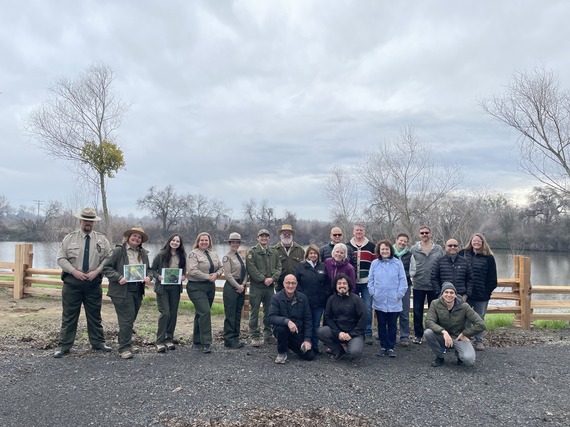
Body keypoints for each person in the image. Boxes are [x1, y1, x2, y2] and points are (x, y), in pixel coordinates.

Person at [54, 207, 112, 358]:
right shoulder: (69, 238)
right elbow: (60, 258)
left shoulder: (102, 240)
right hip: (72, 283)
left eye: (91, 221)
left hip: (93, 283)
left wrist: (97, 271)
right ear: (80, 221)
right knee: (69, 316)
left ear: (94, 223)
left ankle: (98, 343)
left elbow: (108, 258)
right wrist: (74, 272)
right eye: (85, 220)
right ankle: (64, 346)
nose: (88, 223)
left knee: (94, 315)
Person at [104, 226, 151, 359]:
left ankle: (126, 343)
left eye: (139, 237)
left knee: (131, 318)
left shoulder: (143, 253)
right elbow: (106, 268)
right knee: (127, 318)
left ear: (141, 240)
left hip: (137, 290)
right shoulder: (119, 251)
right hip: (121, 290)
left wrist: (149, 276)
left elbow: (150, 270)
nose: (136, 238)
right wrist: (119, 277)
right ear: (128, 237)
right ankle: (124, 348)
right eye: (134, 236)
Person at [424, 282, 486, 367]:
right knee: (428, 332)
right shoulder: (435, 303)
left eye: (451, 292)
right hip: (442, 337)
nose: (449, 295)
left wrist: (465, 333)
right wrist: (443, 332)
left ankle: (459, 355)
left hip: (458, 337)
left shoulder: (464, 306)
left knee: (469, 360)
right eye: (446, 292)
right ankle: (439, 357)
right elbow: (429, 321)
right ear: (442, 294)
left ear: (455, 295)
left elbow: (481, 324)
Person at [368, 240, 408, 358]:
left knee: (392, 324)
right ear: (379, 251)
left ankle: (391, 347)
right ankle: (383, 346)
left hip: (394, 300)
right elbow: (370, 280)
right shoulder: (375, 263)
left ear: (390, 250)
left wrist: (399, 294)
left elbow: (403, 281)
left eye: (386, 249)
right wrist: (373, 293)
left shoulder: (397, 263)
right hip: (379, 299)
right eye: (382, 249)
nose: (384, 251)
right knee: (381, 324)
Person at [460, 233, 498, 351]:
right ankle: (465, 339)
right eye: (474, 241)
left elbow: (492, 279)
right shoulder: (463, 253)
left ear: (483, 243)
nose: (476, 243)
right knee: (465, 317)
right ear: (470, 242)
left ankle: (479, 341)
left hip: (481, 294)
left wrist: (487, 292)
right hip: (466, 293)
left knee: (479, 318)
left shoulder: (489, 258)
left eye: (479, 241)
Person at [186, 232, 222, 354]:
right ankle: (206, 342)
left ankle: (196, 341)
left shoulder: (214, 253)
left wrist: (217, 274)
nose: (204, 242)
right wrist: (207, 276)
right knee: (205, 312)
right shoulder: (193, 254)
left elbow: (221, 267)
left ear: (209, 242)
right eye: (202, 240)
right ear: (198, 241)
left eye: (206, 240)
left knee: (200, 314)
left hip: (210, 287)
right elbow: (192, 271)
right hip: (196, 286)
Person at [150, 234, 186, 353]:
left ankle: (169, 338)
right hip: (163, 288)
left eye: (178, 241)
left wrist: (184, 276)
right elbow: (151, 269)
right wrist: (157, 276)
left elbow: (184, 269)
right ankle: (159, 341)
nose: (175, 243)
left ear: (180, 244)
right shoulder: (161, 254)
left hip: (175, 288)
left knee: (173, 314)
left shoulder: (182, 256)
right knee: (165, 313)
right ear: (169, 241)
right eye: (173, 240)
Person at [318, 274, 367, 361]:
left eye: (344, 283)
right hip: (338, 333)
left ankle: (351, 346)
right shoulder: (331, 299)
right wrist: (338, 333)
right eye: (339, 283)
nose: (342, 286)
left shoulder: (356, 299)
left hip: (354, 334)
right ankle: (339, 350)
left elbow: (363, 318)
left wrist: (351, 334)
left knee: (354, 352)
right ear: (335, 286)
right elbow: (328, 317)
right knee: (320, 331)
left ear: (348, 286)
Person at [246, 229, 282, 347]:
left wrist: (272, 278)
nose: (264, 238)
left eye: (266, 236)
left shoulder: (273, 252)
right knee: (254, 311)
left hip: (270, 286)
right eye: (261, 236)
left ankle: (268, 334)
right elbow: (251, 268)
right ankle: (255, 336)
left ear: (269, 238)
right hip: (257, 286)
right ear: (257, 238)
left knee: (269, 311)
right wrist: (263, 279)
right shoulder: (252, 252)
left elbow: (279, 267)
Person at [268, 274, 314, 364]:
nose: (290, 286)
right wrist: (287, 321)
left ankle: (288, 345)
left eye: (293, 283)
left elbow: (308, 320)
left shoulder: (303, 298)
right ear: (284, 284)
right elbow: (271, 317)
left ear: (296, 284)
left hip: (297, 333)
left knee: (309, 356)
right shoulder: (276, 298)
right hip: (282, 330)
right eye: (288, 283)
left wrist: (307, 340)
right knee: (282, 328)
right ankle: (282, 352)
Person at [409, 226, 444, 344]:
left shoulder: (438, 249)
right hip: (418, 284)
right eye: (422, 233)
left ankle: (432, 334)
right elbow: (410, 265)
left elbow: (442, 264)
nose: (424, 234)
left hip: (434, 285)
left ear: (431, 234)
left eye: (426, 233)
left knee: (433, 312)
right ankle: (418, 335)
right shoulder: (414, 249)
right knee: (417, 311)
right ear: (419, 235)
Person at [294, 244, 331, 354]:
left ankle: (314, 346)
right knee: (304, 324)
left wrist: (324, 294)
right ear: (307, 255)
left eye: (315, 253)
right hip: (304, 302)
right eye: (311, 253)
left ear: (318, 255)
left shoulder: (322, 266)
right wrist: (301, 295)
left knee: (315, 325)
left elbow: (327, 283)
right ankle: (302, 345)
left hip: (318, 302)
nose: (313, 255)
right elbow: (296, 282)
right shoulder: (301, 266)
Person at [347, 224, 376, 345]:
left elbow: (375, 264)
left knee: (367, 308)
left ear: (364, 231)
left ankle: (368, 332)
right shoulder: (347, 246)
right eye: (357, 230)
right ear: (353, 232)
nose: (359, 232)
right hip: (352, 282)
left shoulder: (371, 246)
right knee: (351, 308)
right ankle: (353, 332)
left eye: (361, 230)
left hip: (366, 282)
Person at [222, 232, 247, 349]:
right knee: (230, 313)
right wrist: (238, 286)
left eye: (237, 242)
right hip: (232, 287)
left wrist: (243, 284)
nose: (235, 244)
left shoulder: (241, 256)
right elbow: (228, 275)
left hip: (241, 286)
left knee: (238, 313)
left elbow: (246, 272)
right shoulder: (227, 257)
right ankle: (229, 339)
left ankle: (236, 337)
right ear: (230, 243)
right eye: (233, 242)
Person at [393, 233, 412, 347]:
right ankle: (391, 334)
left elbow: (413, 270)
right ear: (396, 240)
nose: (402, 243)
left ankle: (404, 336)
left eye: (405, 241)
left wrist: (402, 276)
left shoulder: (409, 255)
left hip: (405, 286)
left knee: (404, 312)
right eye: (400, 240)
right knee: (391, 312)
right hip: (391, 287)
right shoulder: (390, 253)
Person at [273, 224, 305, 292]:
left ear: (292, 236)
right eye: (284, 234)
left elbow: (304, 267)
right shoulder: (274, 250)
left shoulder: (300, 250)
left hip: (296, 285)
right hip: (279, 285)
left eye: (289, 234)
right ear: (280, 236)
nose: (287, 236)